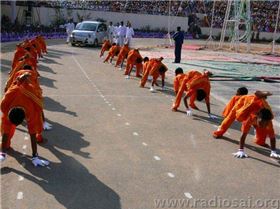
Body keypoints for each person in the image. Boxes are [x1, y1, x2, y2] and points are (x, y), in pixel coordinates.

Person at [0, 73, 50, 166]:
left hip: (30, 84)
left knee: (37, 127)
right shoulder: (5, 105)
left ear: (24, 117)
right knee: (5, 131)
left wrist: (35, 156)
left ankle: (41, 134)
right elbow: (5, 131)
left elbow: (32, 133)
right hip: (18, 81)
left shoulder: (31, 110)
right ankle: (4, 150)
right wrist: (2, 153)